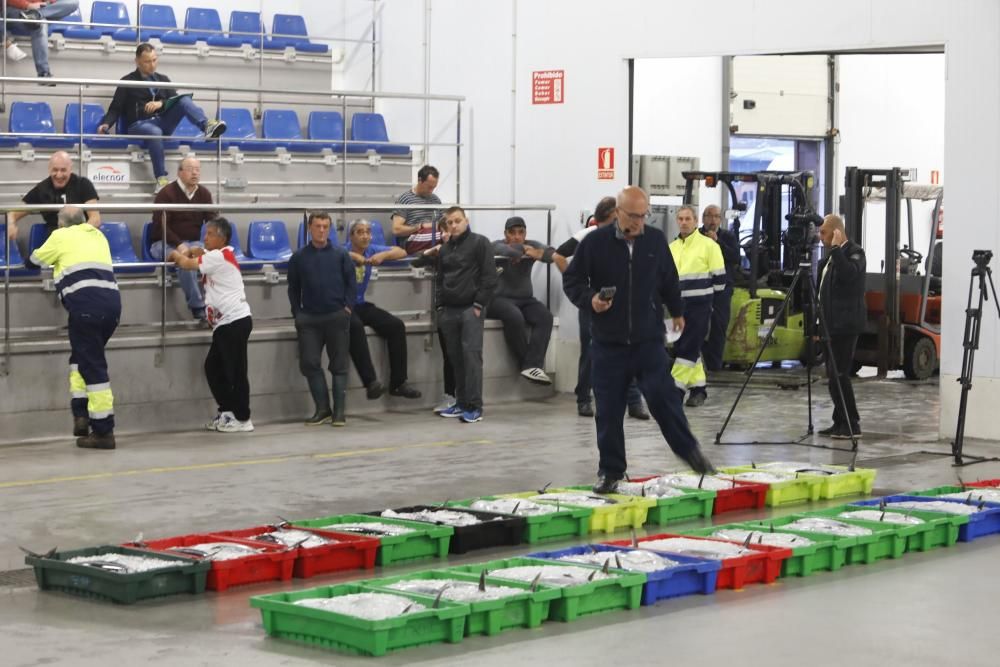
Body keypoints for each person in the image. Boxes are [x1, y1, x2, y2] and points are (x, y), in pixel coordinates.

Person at [563, 186, 715, 493]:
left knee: (664, 398)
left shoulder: (655, 240)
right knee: (608, 410)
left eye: (644, 215)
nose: (639, 222)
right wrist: (590, 300)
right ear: (618, 213)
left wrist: (676, 311)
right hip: (609, 343)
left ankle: (690, 452)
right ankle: (610, 472)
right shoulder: (595, 243)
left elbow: (669, 278)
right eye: (633, 216)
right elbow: (573, 280)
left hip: (648, 341)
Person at [29, 206, 120, 450]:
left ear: (61, 224)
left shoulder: (60, 236)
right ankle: (81, 416)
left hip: (85, 309)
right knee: (80, 360)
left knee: (93, 368)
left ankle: (103, 431)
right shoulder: (98, 235)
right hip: (112, 307)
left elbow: (34, 260)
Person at [553, 196, 649, 420]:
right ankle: (584, 399)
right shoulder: (587, 236)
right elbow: (558, 255)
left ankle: (634, 401)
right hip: (593, 302)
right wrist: (579, 284)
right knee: (590, 350)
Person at [98, 43, 227, 192]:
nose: (152, 65)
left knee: (184, 99)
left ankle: (207, 126)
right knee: (155, 132)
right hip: (139, 125)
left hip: (162, 122)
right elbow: (116, 108)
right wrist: (106, 124)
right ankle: (161, 179)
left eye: (154, 60)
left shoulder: (163, 79)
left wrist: (161, 103)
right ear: (137, 62)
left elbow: (175, 101)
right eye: (147, 61)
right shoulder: (127, 81)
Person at [168, 218, 253, 433]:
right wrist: (195, 250)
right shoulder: (216, 255)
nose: (205, 238)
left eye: (210, 234)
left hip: (234, 321)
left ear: (222, 238)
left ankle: (243, 418)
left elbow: (187, 265)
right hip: (224, 324)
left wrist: (175, 255)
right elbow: (199, 253)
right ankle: (227, 412)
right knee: (214, 368)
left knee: (235, 371)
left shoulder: (219, 256)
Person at [287, 211, 356, 427]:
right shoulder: (298, 257)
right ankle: (323, 409)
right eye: (318, 226)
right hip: (309, 319)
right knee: (309, 363)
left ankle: (339, 413)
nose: (322, 230)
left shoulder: (341, 254)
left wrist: (347, 308)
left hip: (337, 316)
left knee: (339, 365)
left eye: (326, 226)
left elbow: (351, 283)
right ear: (310, 228)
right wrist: (298, 314)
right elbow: (293, 288)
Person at [345, 219, 422, 400]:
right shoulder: (342, 250)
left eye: (368, 232)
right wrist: (352, 256)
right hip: (342, 306)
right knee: (355, 327)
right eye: (360, 232)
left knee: (396, 325)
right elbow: (333, 253)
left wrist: (383, 256)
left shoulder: (371, 249)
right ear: (351, 236)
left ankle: (398, 383)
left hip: (360, 304)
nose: (365, 236)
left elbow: (402, 251)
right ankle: (370, 382)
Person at [433, 206, 497, 423]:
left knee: (471, 358)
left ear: (466, 221)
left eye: (457, 221)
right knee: (455, 359)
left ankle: (474, 406)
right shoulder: (444, 249)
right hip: (449, 311)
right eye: (450, 222)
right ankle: (461, 403)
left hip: (471, 309)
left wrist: (479, 304)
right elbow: (440, 279)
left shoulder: (480, 243)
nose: (453, 225)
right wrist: (440, 306)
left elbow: (490, 277)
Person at [669, 205, 727, 407]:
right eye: (681, 219)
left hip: (700, 306)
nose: (684, 222)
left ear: (695, 221)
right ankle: (699, 389)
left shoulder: (709, 246)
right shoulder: (672, 247)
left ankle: (674, 392)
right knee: (685, 346)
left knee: (686, 348)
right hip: (677, 308)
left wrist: (710, 302)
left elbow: (720, 281)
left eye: (688, 219)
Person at [816, 214, 866, 439]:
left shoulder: (855, 253)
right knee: (832, 375)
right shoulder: (828, 259)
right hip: (829, 324)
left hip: (845, 324)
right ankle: (839, 421)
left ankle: (852, 423)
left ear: (837, 232)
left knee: (840, 374)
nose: (820, 238)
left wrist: (836, 249)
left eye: (824, 233)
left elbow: (849, 276)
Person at [489, 216, 555, 384]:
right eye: (512, 233)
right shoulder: (497, 244)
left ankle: (532, 366)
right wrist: (523, 249)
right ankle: (527, 365)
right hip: (498, 299)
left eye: (521, 232)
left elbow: (551, 254)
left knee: (545, 317)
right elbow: (503, 250)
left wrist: (536, 252)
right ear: (505, 234)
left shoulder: (532, 244)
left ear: (526, 233)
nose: (517, 236)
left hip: (525, 299)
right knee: (514, 315)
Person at [150, 156, 216, 324]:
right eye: (190, 169)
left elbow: (213, 222)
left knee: (212, 257)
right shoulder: (166, 193)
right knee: (184, 260)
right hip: (163, 242)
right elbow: (160, 226)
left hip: (193, 241)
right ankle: (197, 307)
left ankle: (216, 305)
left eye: (198, 169)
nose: (195, 173)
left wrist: (212, 244)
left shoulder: (204, 193)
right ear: (180, 172)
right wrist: (179, 244)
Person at [410, 215, 458, 412]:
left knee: (467, 355)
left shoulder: (473, 248)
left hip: (466, 308)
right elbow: (416, 263)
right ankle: (450, 397)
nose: (448, 234)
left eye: (452, 228)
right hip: (444, 308)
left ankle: (468, 398)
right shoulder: (441, 251)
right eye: (444, 231)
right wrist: (432, 250)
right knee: (449, 355)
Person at [7, 151, 99, 241]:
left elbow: (95, 218)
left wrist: (76, 237)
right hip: (55, 242)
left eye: (63, 170)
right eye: (55, 170)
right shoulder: (42, 189)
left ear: (70, 169)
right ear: (49, 169)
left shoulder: (83, 184)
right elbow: (13, 213)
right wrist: (11, 224)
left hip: (82, 240)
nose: (59, 175)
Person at [700, 204, 741, 371]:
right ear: (703, 219)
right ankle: (700, 362)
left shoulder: (728, 237)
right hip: (700, 286)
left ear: (720, 220)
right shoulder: (695, 237)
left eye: (716, 216)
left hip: (722, 288)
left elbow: (735, 257)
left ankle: (714, 366)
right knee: (698, 326)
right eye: (709, 216)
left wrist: (717, 243)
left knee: (719, 326)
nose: (713, 220)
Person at [3, 1, 79, 82]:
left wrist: (48, 3)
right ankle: (44, 73)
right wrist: (28, 5)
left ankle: (37, 14)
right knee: (41, 22)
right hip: (18, 10)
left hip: (42, 9)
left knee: (73, 2)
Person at [391, 165, 442, 254]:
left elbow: (443, 224)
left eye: (434, 187)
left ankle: (431, 252)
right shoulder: (405, 199)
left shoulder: (436, 200)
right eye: (429, 187)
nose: (431, 190)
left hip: (433, 235)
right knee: (441, 237)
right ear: (420, 180)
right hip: (413, 238)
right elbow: (396, 230)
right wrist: (420, 227)